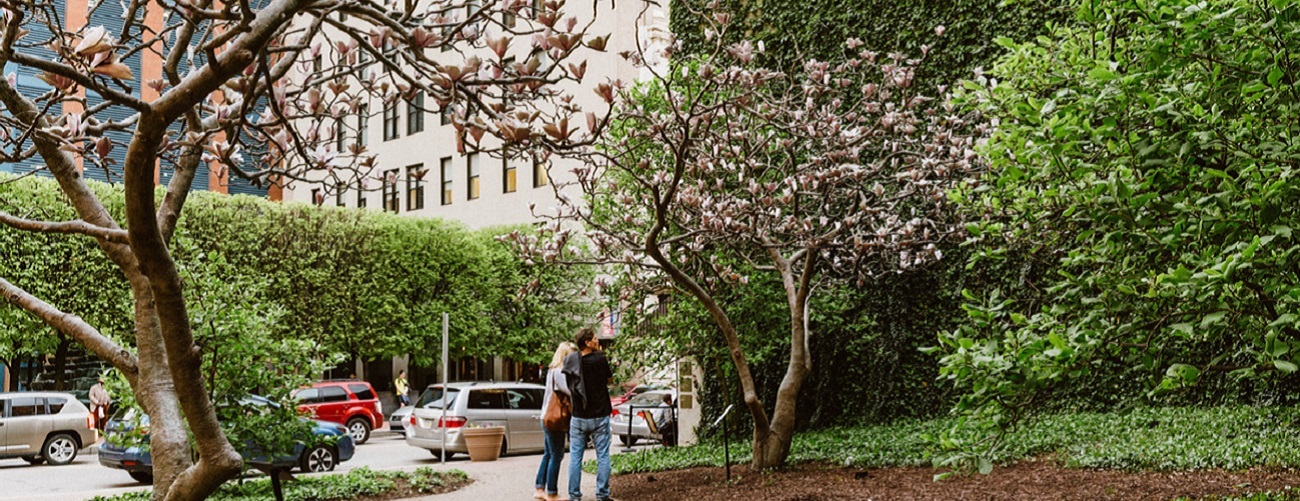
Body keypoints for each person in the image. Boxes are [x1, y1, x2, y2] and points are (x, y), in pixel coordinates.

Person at [564, 328, 613, 501]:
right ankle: (602, 494)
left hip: (578, 415)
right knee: (603, 456)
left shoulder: (570, 361)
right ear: (587, 342)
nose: (597, 340)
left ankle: (574, 495)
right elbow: (610, 380)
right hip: (600, 414)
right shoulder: (600, 359)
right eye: (594, 338)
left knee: (575, 457)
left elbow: (569, 386)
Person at [534, 342, 577, 501]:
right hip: (556, 418)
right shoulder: (560, 372)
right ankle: (552, 492)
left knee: (548, 454)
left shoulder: (552, 371)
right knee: (556, 455)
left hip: (546, 415)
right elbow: (569, 392)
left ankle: (539, 488)